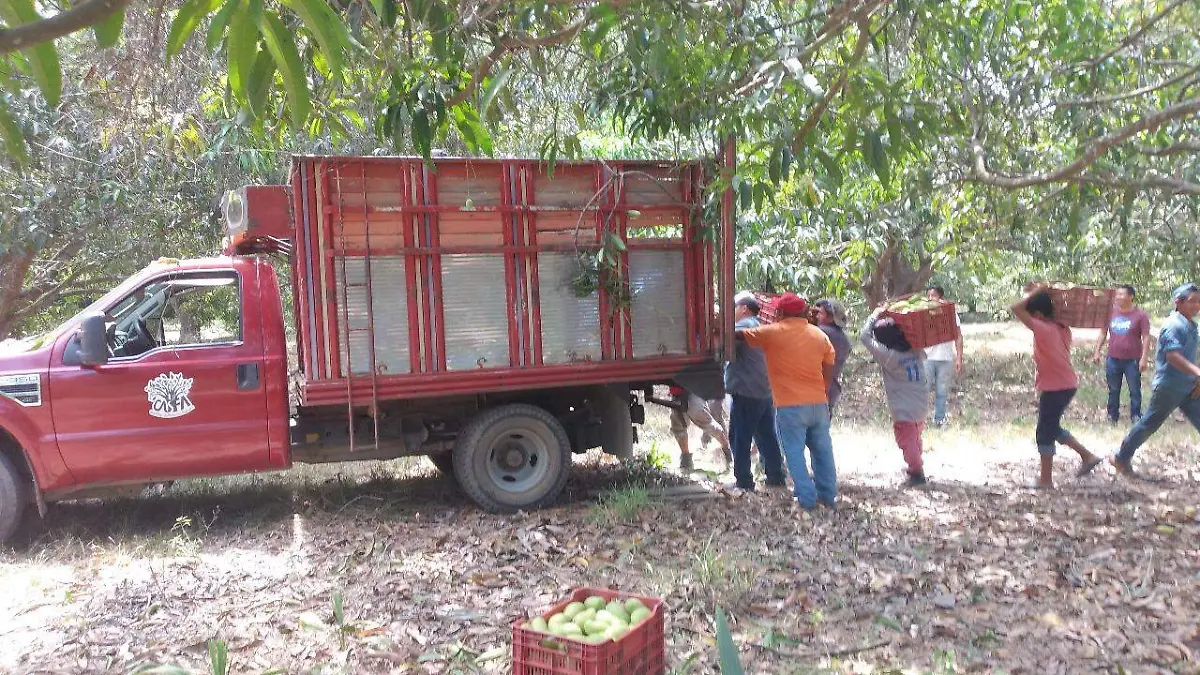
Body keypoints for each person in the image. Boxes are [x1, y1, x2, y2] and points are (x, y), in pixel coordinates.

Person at [738, 293, 837, 510]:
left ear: (781, 313)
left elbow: (741, 336)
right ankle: (828, 496)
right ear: (803, 312)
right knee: (823, 451)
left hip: (790, 406)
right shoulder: (818, 335)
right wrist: (825, 389)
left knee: (794, 452)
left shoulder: (773, 332)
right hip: (818, 403)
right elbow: (829, 363)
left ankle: (806, 499)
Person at [1010, 287, 1103, 488]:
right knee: (1051, 427)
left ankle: (1047, 479)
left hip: (1056, 386)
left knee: (1044, 431)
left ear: (1038, 314)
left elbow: (1015, 309)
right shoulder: (1062, 328)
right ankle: (1086, 456)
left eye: (1033, 313)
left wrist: (1039, 290)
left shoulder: (1042, 328)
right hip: (1065, 384)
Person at [1112, 283, 1200, 475]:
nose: (1197, 306)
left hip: (1189, 387)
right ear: (1178, 302)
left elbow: (1190, 355)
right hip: (1170, 387)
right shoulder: (1173, 325)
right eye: (1192, 302)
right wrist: (1197, 373)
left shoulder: (1191, 325)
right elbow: (1173, 356)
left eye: (1199, 302)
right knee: (1149, 423)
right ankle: (1121, 457)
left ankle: (1121, 457)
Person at [724, 294, 788, 491]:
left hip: (747, 392)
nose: (731, 312)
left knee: (739, 437)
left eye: (734, 307)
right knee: (767, 436)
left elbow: (723, 343)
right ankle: (776, 477)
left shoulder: (744, 327)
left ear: (744, 309)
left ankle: (743, 481)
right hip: (764, 392)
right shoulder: (763, 326)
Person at [860, 307, 930, 487]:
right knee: (914, 437)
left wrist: (874, 315)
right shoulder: (916, 351)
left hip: (903, 407)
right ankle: (915, 467)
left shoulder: (890, 357)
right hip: (921, 403)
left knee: (906, 441)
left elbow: (864, 337)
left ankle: (917, 473)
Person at [1092, 284, 1151, 424]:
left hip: (1132, 359)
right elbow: (1103, 333)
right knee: (1113, 389)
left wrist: (1144, 358)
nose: (1118, 297)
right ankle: (1112, 415)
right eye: (1117, 294)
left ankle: (1136, 415)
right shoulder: (1110, 313)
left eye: (1122, 294)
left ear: (1131, 297)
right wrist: (1097, 352)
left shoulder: (1140, 315)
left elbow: (1146, 337)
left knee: (1134, 389)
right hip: (1113, 358)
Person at [923, 286, 963, 427]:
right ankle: (919, 421)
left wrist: (959, 357)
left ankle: (939, 420)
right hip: (927, 358)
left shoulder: (950, 314)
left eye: (933, 295)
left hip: (945, 358)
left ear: (941, 298)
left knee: (942, 391)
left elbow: (958, 336)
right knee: (924, 390)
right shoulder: (922, 315)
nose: (930, 298)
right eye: (928, 296)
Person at [668, 384, 731, 472]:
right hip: (677, 391)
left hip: (694, 389)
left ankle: (727, 451)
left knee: (705, 420)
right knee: (677, 425)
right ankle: (686, 458)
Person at [814, 299, 852, 417]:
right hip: (830, 392)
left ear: (831, 317)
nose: (817, 317)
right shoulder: (844, 339)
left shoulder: (821, 333)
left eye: (820, 313)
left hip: (814, 392)